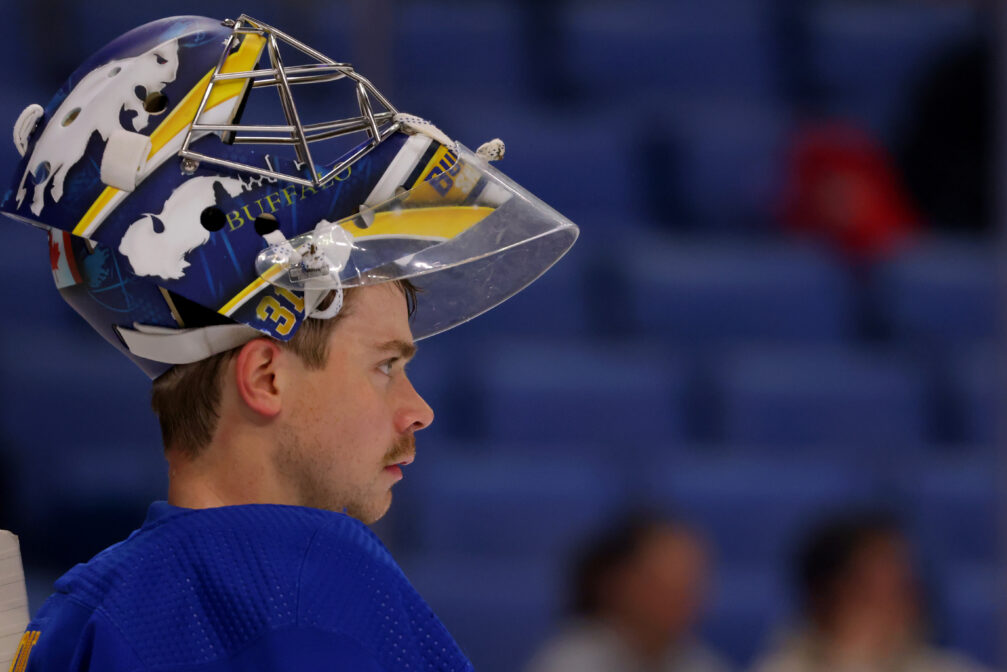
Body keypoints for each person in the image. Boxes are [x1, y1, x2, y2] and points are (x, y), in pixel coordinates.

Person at [2, 13, 577, 671]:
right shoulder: (319, 586)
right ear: (266, 378)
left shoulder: (79, 613)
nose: (419, 410)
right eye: (386, 365)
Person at [750, 512, 992, 672]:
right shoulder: (781, 666)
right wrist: (854, 663)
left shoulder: (946, 667)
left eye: (903, 584)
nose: (899, 603)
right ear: (827, 595)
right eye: (873, 589)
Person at [526, 515, 730, 672]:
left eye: (690, 583)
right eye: (664, 584)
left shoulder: (701, 664)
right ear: (619, 584)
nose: (684, 597)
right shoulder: (570, 662)